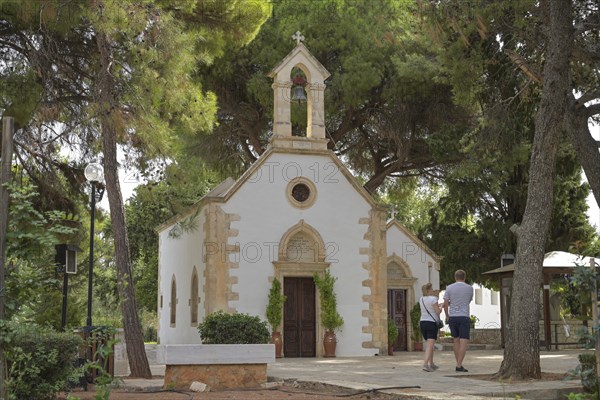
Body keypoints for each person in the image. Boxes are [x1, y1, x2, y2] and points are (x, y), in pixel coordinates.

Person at [443, 269, 474, 372]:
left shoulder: (449, 288)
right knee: (463, 341)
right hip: (464, 316)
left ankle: (458, 363)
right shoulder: (469, 288)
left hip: (453, 317)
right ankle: (459, 364)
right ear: (464, 277)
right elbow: (468, 301)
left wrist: (447, 316)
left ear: (455, 277)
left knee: (456, 340)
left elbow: (446, 304)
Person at [419, 282, 442, 372]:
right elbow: (438, 312)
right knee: (429, 345)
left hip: (423, 322)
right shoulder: (434, 299)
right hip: (431, 323)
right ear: (428, 290)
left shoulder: (421, 299)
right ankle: (425, 364)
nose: (433, 290)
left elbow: (429, 308)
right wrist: (441, 307)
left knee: (430, 344)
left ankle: (431, 363)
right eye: (432, 289)